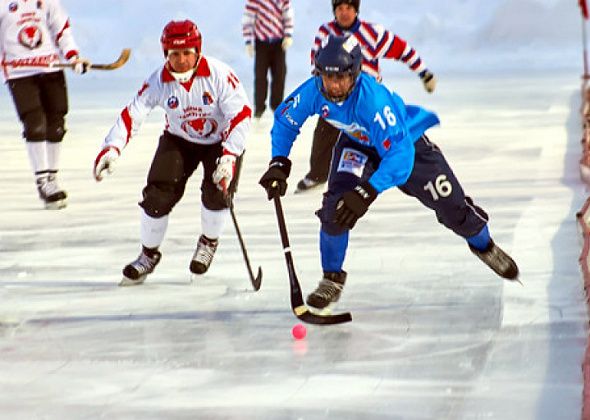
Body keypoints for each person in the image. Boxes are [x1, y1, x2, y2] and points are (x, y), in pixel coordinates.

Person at [259, 35, 518, 310]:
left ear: (355, 74)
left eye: (341, 78)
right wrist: (278, 162)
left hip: (406, 145)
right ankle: (331, 278)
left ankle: (484, 244)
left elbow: (400, 157)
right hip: (357, 145)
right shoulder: (314, 90)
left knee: (452, 207)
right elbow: (286, 120)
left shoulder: (374, 102)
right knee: (336, 208)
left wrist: (368, 190)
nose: (333, 86)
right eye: (327, 77)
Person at [93, 20, 252, 286]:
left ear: (198, 50)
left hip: (221, 143)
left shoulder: (219, 74)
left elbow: (242, 114)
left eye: (187, 52)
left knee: (216, 195)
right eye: (174, 54)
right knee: (157, 196)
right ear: (165, 54)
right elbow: (134, 113)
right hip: (179, 140)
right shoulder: (159, 80)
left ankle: (209, 241)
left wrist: (229, 156)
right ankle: (148, 255)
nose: (181, 60)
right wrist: (112, 147)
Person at [295, 0, 436, 193]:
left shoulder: (373, 33)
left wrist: (423, 72)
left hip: (366, 101)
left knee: (378, 138)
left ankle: (383, 176)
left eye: (349, 8)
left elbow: (402, 50)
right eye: (340, 9)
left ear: (356, 10)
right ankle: (318, 174)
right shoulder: (325, 32)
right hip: (335, 97)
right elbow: (316, 61)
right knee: (325, 131)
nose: (344, 13)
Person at [0, 0, 90, 209]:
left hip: (51, 69)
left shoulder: (48, 2)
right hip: (19, 74)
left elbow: (61, 30)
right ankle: (43, 181)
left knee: (56, 125)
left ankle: (52, 178)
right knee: (35, 124)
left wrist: (73, 56)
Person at [242, 0, 294, 118]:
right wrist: (248, 41)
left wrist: (288, 34)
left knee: (279, 75)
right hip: (262, 43)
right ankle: (259, 108)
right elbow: (248, 19)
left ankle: (277, 106)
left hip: (279, 44)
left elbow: (288, 15)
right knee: (260, 77)